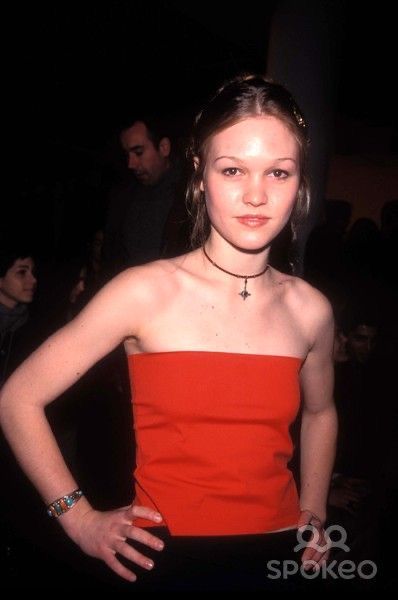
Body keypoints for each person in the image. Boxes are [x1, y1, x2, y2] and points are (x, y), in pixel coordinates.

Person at [0, 75, 337, 591]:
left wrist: (313, 510)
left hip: (282, 559)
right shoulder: (143, 292)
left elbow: (320, 411)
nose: (255, 194)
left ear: (301, 182)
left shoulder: (311, 309)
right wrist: (77, 517)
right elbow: (17, 398)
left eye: (278, 172)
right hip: (166, 560)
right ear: (200, 176)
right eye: (232, 170)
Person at [102, 116, 189, 278]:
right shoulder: (124, 196)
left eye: (139, 152)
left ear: (163, 147)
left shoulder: (192, 197)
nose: (131, 163)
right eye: (127, 154)